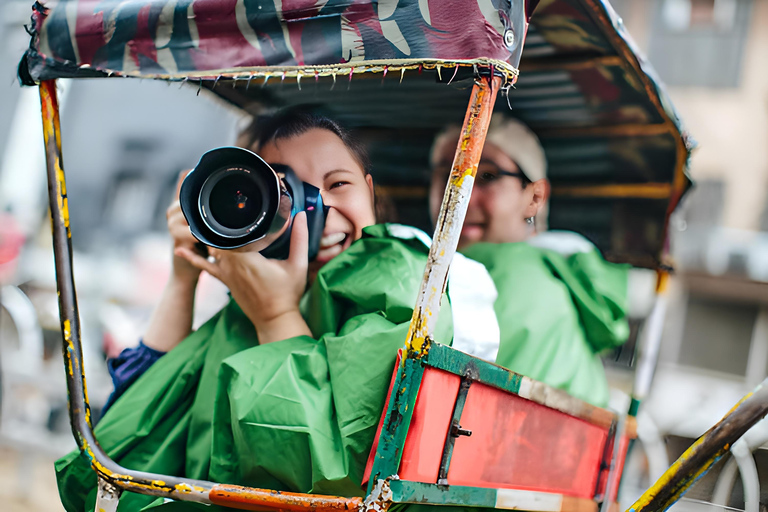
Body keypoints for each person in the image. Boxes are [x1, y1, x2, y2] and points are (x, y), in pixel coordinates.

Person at [56, 111, 499, 512]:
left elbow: (329, 477)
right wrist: (184, 277)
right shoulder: (244, 304)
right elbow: (126, 430)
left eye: (336, 184)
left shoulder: (402, 283)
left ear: (369, 191)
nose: (316, 209)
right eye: (287, 191)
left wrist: (276, 316)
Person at [429, 116, 631, 408]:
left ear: (535, 196)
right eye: (446, 175)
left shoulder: (517, 277)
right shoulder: (555, 275)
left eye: (486, 175)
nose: (459, 196)